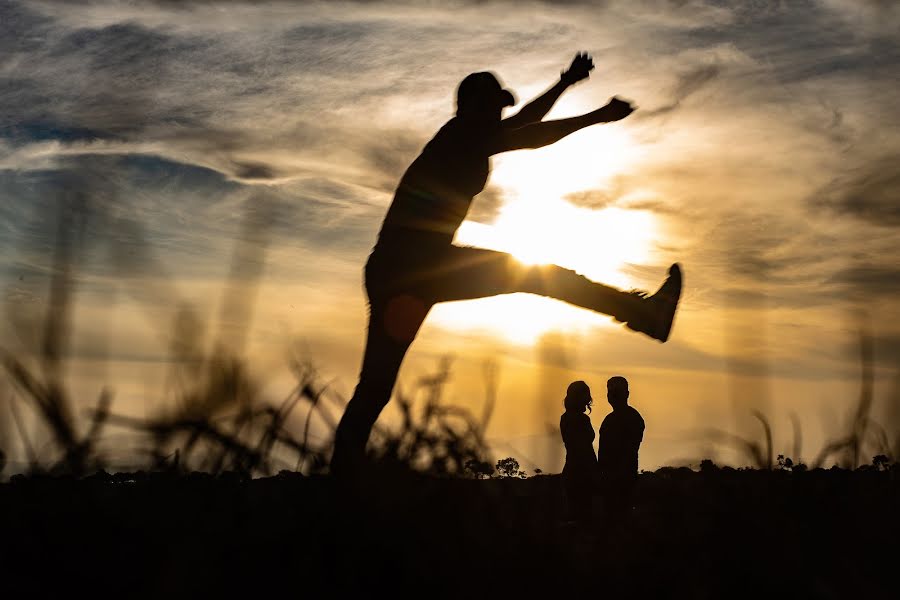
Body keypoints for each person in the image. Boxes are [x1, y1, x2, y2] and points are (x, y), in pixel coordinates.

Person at [331, 53, 682, 476]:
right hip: (415, 264)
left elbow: (523, 123)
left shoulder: (474, 134)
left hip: (399, 270)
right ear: (470, 107)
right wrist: (597, 115)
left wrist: (565, 82)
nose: (500, 112)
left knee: (374, 389)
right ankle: (644, 314)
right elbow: (533, 135)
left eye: (501, 105)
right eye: (492, 105)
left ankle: (340, 482)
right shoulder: (462, 134)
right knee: (539, 277)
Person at [596, 376, 645, 519]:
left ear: (627, 394)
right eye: (610, 392)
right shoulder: (610, 420)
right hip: (611, 479)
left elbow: (629, 450)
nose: (612, 396)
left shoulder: (632, 418)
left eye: (616, 392)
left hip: (623, 479)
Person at [560, 380, 597, 524]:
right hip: (581, 472)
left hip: (573, 470)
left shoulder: (566, 418)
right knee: (584, 517)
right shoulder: (580, 419)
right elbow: (583, 450)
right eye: (586, 395)